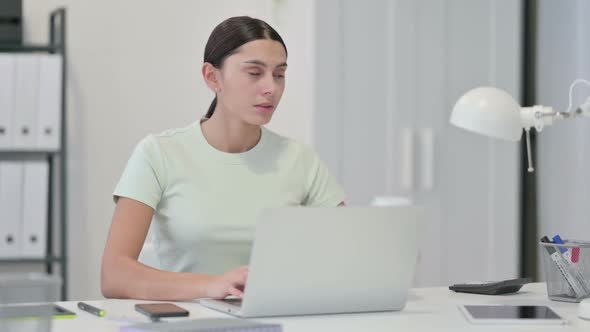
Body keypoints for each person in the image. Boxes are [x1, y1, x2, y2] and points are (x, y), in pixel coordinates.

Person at [100, 16, 346, 301]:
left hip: (278, 319)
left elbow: (346, 253)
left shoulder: (300, 159)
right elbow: (114, 275)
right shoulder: (159, 153)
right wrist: (211, 286)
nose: (271, 88)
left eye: (279, 74)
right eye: (254, 73)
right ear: (212, 77)